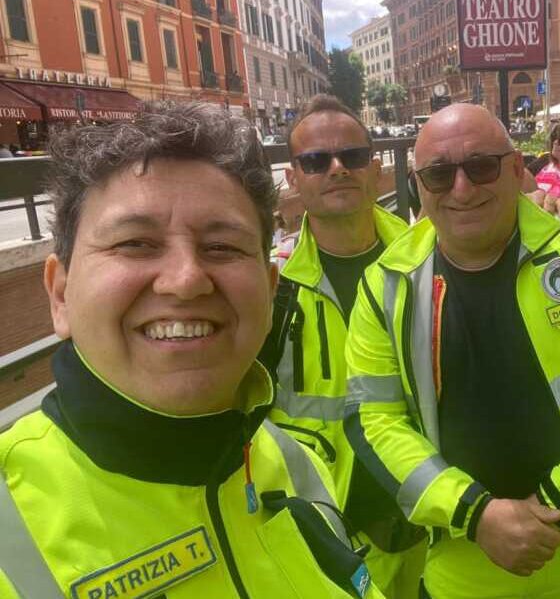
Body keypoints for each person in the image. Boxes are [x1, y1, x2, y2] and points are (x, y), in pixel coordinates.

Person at [0, 102, 385, 598]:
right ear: (60, 294)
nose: (186, 281)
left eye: (222, 247)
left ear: (269, 293)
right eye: (135, 243)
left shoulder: (297, 465)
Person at [344, 103, 560, 599]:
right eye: (438, 174)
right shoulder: (385, 285)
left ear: (517, 168)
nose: (462, 188)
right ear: (417, 185)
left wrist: (556, 507)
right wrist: (475, 514)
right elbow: (374, 420)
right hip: (461, 571)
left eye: (481, 166)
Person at [260, 95, 426, 598]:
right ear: (294, 177)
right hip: (327, 533)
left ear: (375, 169)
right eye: (316, 161)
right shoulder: (272, 284)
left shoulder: (429, 259)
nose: (337, 169)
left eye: (352, 157)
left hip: (433, 515)